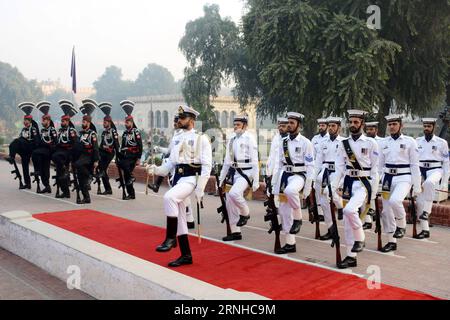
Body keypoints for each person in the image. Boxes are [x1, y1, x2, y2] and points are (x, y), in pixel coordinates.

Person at [146, 105, 212, 267]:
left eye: (183, 118)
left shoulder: (201, 138)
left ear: (192, 120)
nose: (179, 120)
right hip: (177, 178)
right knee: (181, 221)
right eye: (179, 118)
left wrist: (200, 189)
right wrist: (155, 169)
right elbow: (170, 164)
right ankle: (186, 255)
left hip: (190, 178)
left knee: (169, 197)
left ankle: (170, 238)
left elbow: (207, 165)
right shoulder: (176, 138)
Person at [332, 110, 379, 268]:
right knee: (346, 222)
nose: (352, 125)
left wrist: (372, 194)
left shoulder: (371, 143)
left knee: (350, 210)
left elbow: (375, 170)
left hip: (363, 183)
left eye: (356, 122)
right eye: (350, 122)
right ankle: (351, 256)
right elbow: (339, 167)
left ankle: (360, 238)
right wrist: (333, 186)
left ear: (362, 124)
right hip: (347, 182)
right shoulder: (343, 143)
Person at [271, 112, 314, 254]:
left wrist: (307, 188)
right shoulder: (283, 142)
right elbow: (279, 164)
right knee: (283, 211)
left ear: (299, 126)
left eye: (292, 123)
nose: (289, 125)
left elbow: (310, 166)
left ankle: (299, 218)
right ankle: (290, 243)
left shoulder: (305, 143)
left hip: (299, 175)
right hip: (285, 176)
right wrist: (274, 184)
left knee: (291, 191)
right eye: (288, 122)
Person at [378, 115, 421, 252]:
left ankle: (401, 225)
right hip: (387, 178)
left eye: (394, 124)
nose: (391, 126)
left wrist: (417, 185)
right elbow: (379, 165)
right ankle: (391, 241)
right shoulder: (383, 143)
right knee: (386, 211)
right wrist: (374, 183)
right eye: (389, 124)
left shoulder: (410, 142)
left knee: (395, 201)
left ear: (401, 125)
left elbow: (415, 165)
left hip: (404, 177)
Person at [218, 114, 260, 241]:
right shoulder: (231, 139)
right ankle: (235, 231)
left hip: (246, 173)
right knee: (230, 202)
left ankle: (245, 213)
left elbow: (254, 160)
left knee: (234, 194)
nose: (236, 127)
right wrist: (221, 178)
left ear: (245, 126)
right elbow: (227, 161)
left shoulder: (250, 138)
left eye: (238, 125)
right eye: (234, 124)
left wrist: (256, 179)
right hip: (233, 172)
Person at [415, 118, 449, 239]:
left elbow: (446, 162)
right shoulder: (417, 141)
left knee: (429, 183)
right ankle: (425, 229)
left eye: (429, 126)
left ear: (435, 127)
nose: (426, 128)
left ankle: (427, 211)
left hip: (435, 169)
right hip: (420, 170)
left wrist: (445, 182)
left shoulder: (442, 142)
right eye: (425, 126)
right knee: (419, 202)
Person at [314, 116, 345, 240]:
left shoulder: (343, 142)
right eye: (330, 126)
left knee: (328, 194)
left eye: (333, 126)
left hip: (338, 173)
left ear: (339, 128)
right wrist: (313, 177)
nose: (331, 128)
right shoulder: (323, 143)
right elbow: (318, 162)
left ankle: (340, 205)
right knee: (323, 202)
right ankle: (331, 228)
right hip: (325, 172)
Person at [5, 102, 40, 189]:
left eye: (27, 120)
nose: (25, 122)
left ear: (30, 121)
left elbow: (36, 141)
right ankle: (27, 184)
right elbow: (21, 137)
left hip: (29, 147)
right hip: (24, 149)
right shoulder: (24, 129)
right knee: (24, 166)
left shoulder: (33, 129)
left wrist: (34, 151)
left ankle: (11, 157)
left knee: (16, 141)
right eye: (24, 120)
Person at [72, 101, 99, 204]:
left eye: (84, 122)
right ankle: (86, 198)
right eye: (82, 122)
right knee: (80, 179)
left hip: (89, 156)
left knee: (78, 165)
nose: (82, 123)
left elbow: (95, 148)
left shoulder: (92, 134)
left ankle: (90, 176)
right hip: (82, 156)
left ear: (88, 123)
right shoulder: (81, 133)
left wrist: (96, 160)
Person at [51, 100, 78, 198]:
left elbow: (74, 144)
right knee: (60, 175)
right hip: (60, 153)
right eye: (62, 121)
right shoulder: (60, 131)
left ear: (67, 122)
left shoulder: (71, 131)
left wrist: (71, 157)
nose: (62, 123)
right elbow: (58, 142)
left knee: (56, 157)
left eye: (63, 121)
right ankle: (65, 192)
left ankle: (64, 168)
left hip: (68, 152)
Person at [118, 100, 143, 200]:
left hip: (133, 155)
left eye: (127, 122)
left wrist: (139, 158)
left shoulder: (135, 132)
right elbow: (123, 145)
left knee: (126, 171)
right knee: (123, 168)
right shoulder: (124, 133)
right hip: (126, 155)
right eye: (125, 122)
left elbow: (140, 145)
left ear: (132, 122)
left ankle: (131, 191)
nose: (126, 123)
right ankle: (131, 193)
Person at [31, 101, 58, 193]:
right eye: (42, 120)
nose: (42, 122)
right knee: (44, 169)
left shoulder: (52, 129)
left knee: (34, 153)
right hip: (43, 151)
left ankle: (36, 170)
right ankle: (47, 186)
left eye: (44, 120)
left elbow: (55, 141)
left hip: (49, 150)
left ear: (48, 121)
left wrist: (49, 145)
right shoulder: (42, 130)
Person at [362, 121, 384, 229]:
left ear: (376, 130)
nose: (369, 131)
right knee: (364, 196)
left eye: (372, 129)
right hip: (366, 171)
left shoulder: (382, 142)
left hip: (379, 171)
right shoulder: (364, 141)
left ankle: (373, 211)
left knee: (371, 194)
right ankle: (368, 220)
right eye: (368, 129)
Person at [97, 102, 120, 195]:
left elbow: (116, 144)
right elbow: (101, 144)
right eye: (103, 122)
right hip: (103, 152)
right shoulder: (103, 133)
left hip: (110, 153)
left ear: (109, 123)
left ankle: (108, 189)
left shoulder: (113, 132)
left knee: (102, 169)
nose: (103, 123)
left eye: (105, 122)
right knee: (101, 169)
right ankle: (108, 189)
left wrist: (118, 156)